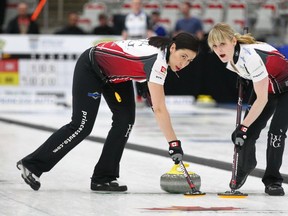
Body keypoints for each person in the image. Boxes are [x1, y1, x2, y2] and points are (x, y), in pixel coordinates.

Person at [16, 32, 200, 192]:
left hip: (116, 78)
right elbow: (159, 109)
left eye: (189, 61)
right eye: (183, 56)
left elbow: (132, 60)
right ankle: (32, 164)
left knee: (125, 121)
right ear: (173, 47)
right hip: (91, 68)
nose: (184, 64)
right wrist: (174, 143)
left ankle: (103, 178)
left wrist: (143, 83)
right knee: (81, 126)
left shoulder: (162, 50)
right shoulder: (158, 61)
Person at [207, 23, 288, 196]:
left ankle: (273, 180)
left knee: (275, 133)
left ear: (233, 41)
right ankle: (245, 166)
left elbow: (262, 99)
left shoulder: (250, 56)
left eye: (222, 44)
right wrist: (244, 76)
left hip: (284, 89)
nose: (218, 49)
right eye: (214, 46)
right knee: (247, 132)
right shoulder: (229, 59)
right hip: (268, 88)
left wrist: (242, 127)